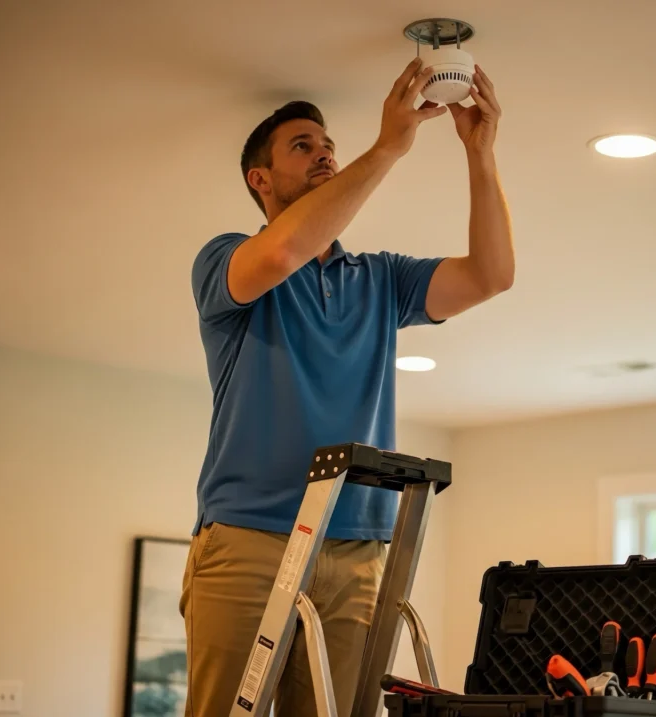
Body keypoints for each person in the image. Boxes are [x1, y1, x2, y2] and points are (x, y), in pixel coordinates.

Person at [179, 57, 514, 717]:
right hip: (251, 536)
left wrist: (481, 152)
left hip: (358, 544)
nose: (324, 154)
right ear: (261, 178)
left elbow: (490, 275)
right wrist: (388, 147)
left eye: (328, 144)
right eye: (302, 146)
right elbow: (278, 254)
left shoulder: (381, 279)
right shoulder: (225, 258)